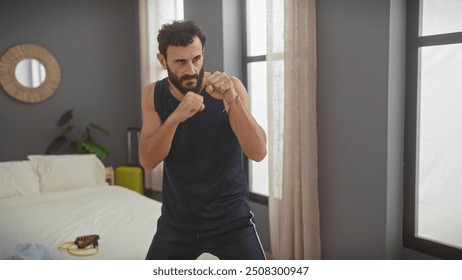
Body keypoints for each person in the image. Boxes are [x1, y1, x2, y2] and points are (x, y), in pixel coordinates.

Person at [139, 19, 267, 260]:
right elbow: (147, 160)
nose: (191, 69)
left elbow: (258, 152)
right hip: (177, 223)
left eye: (196, 59)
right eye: (180, 61)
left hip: (231, 220)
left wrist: (231, 100)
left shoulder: (231, 87)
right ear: (162, 60)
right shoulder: (153, 94)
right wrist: (176, 117)